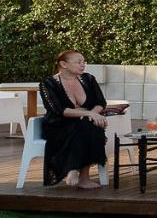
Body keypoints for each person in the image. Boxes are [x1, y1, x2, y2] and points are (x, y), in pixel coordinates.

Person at [38, 50, 109, 189]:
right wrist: (89, 114)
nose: (83, 65)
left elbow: (101, 102)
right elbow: (59, 110)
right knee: (86, 128)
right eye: (78, 62)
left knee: (90, 128)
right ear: (63, 64)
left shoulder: (88, 79)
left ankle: (76, 170)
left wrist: (92, 114)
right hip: (58, 125)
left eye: (84, 62)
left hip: (84, 122)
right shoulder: (48, 84)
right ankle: (78, 172)